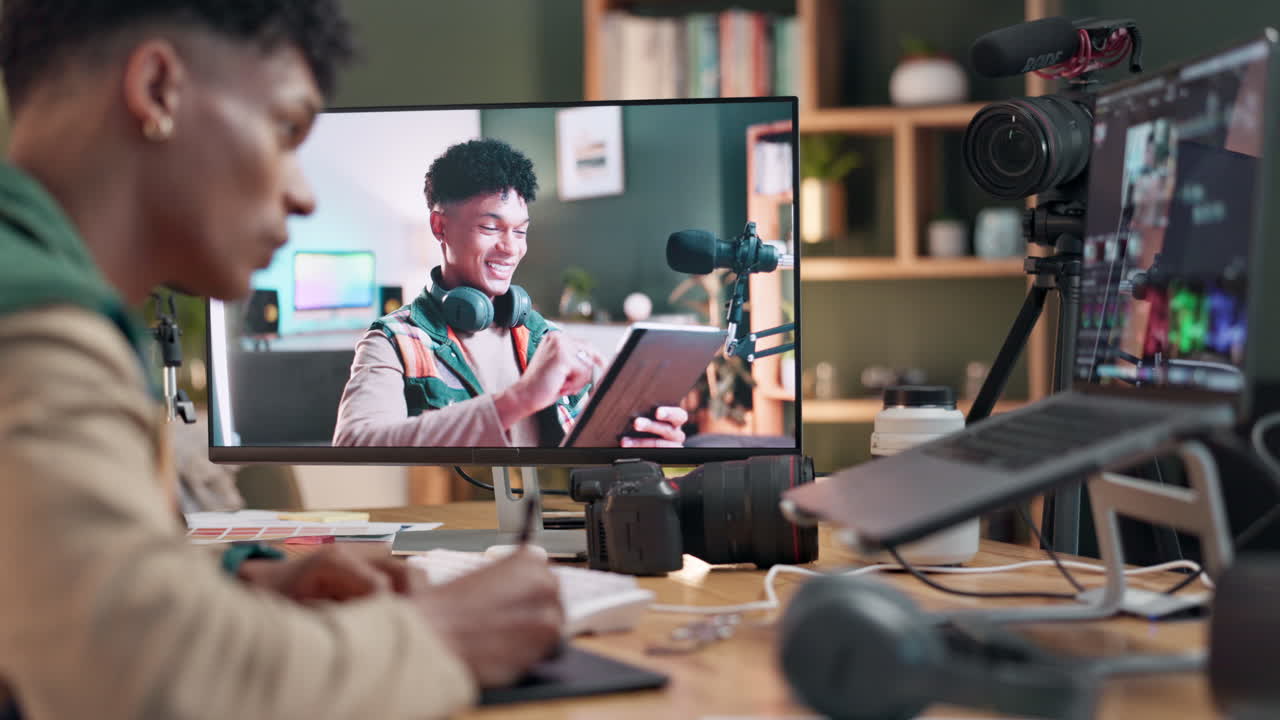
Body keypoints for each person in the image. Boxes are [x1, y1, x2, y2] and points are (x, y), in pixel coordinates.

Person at [0, 3, 563, 718]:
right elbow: (140, 672)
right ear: (158, 91)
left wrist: (247, 585)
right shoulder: (29, 326)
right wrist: (444, 634)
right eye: (286, 129)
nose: (302, 193)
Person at [332, 138, 689, 448]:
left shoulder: (548, 339)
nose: (510, 248)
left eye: (520, 232)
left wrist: (642, 445)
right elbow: (353, 447)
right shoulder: (393, 341)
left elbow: (588, 464)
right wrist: (520, 398)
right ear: (440, 226)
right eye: (491, 227)